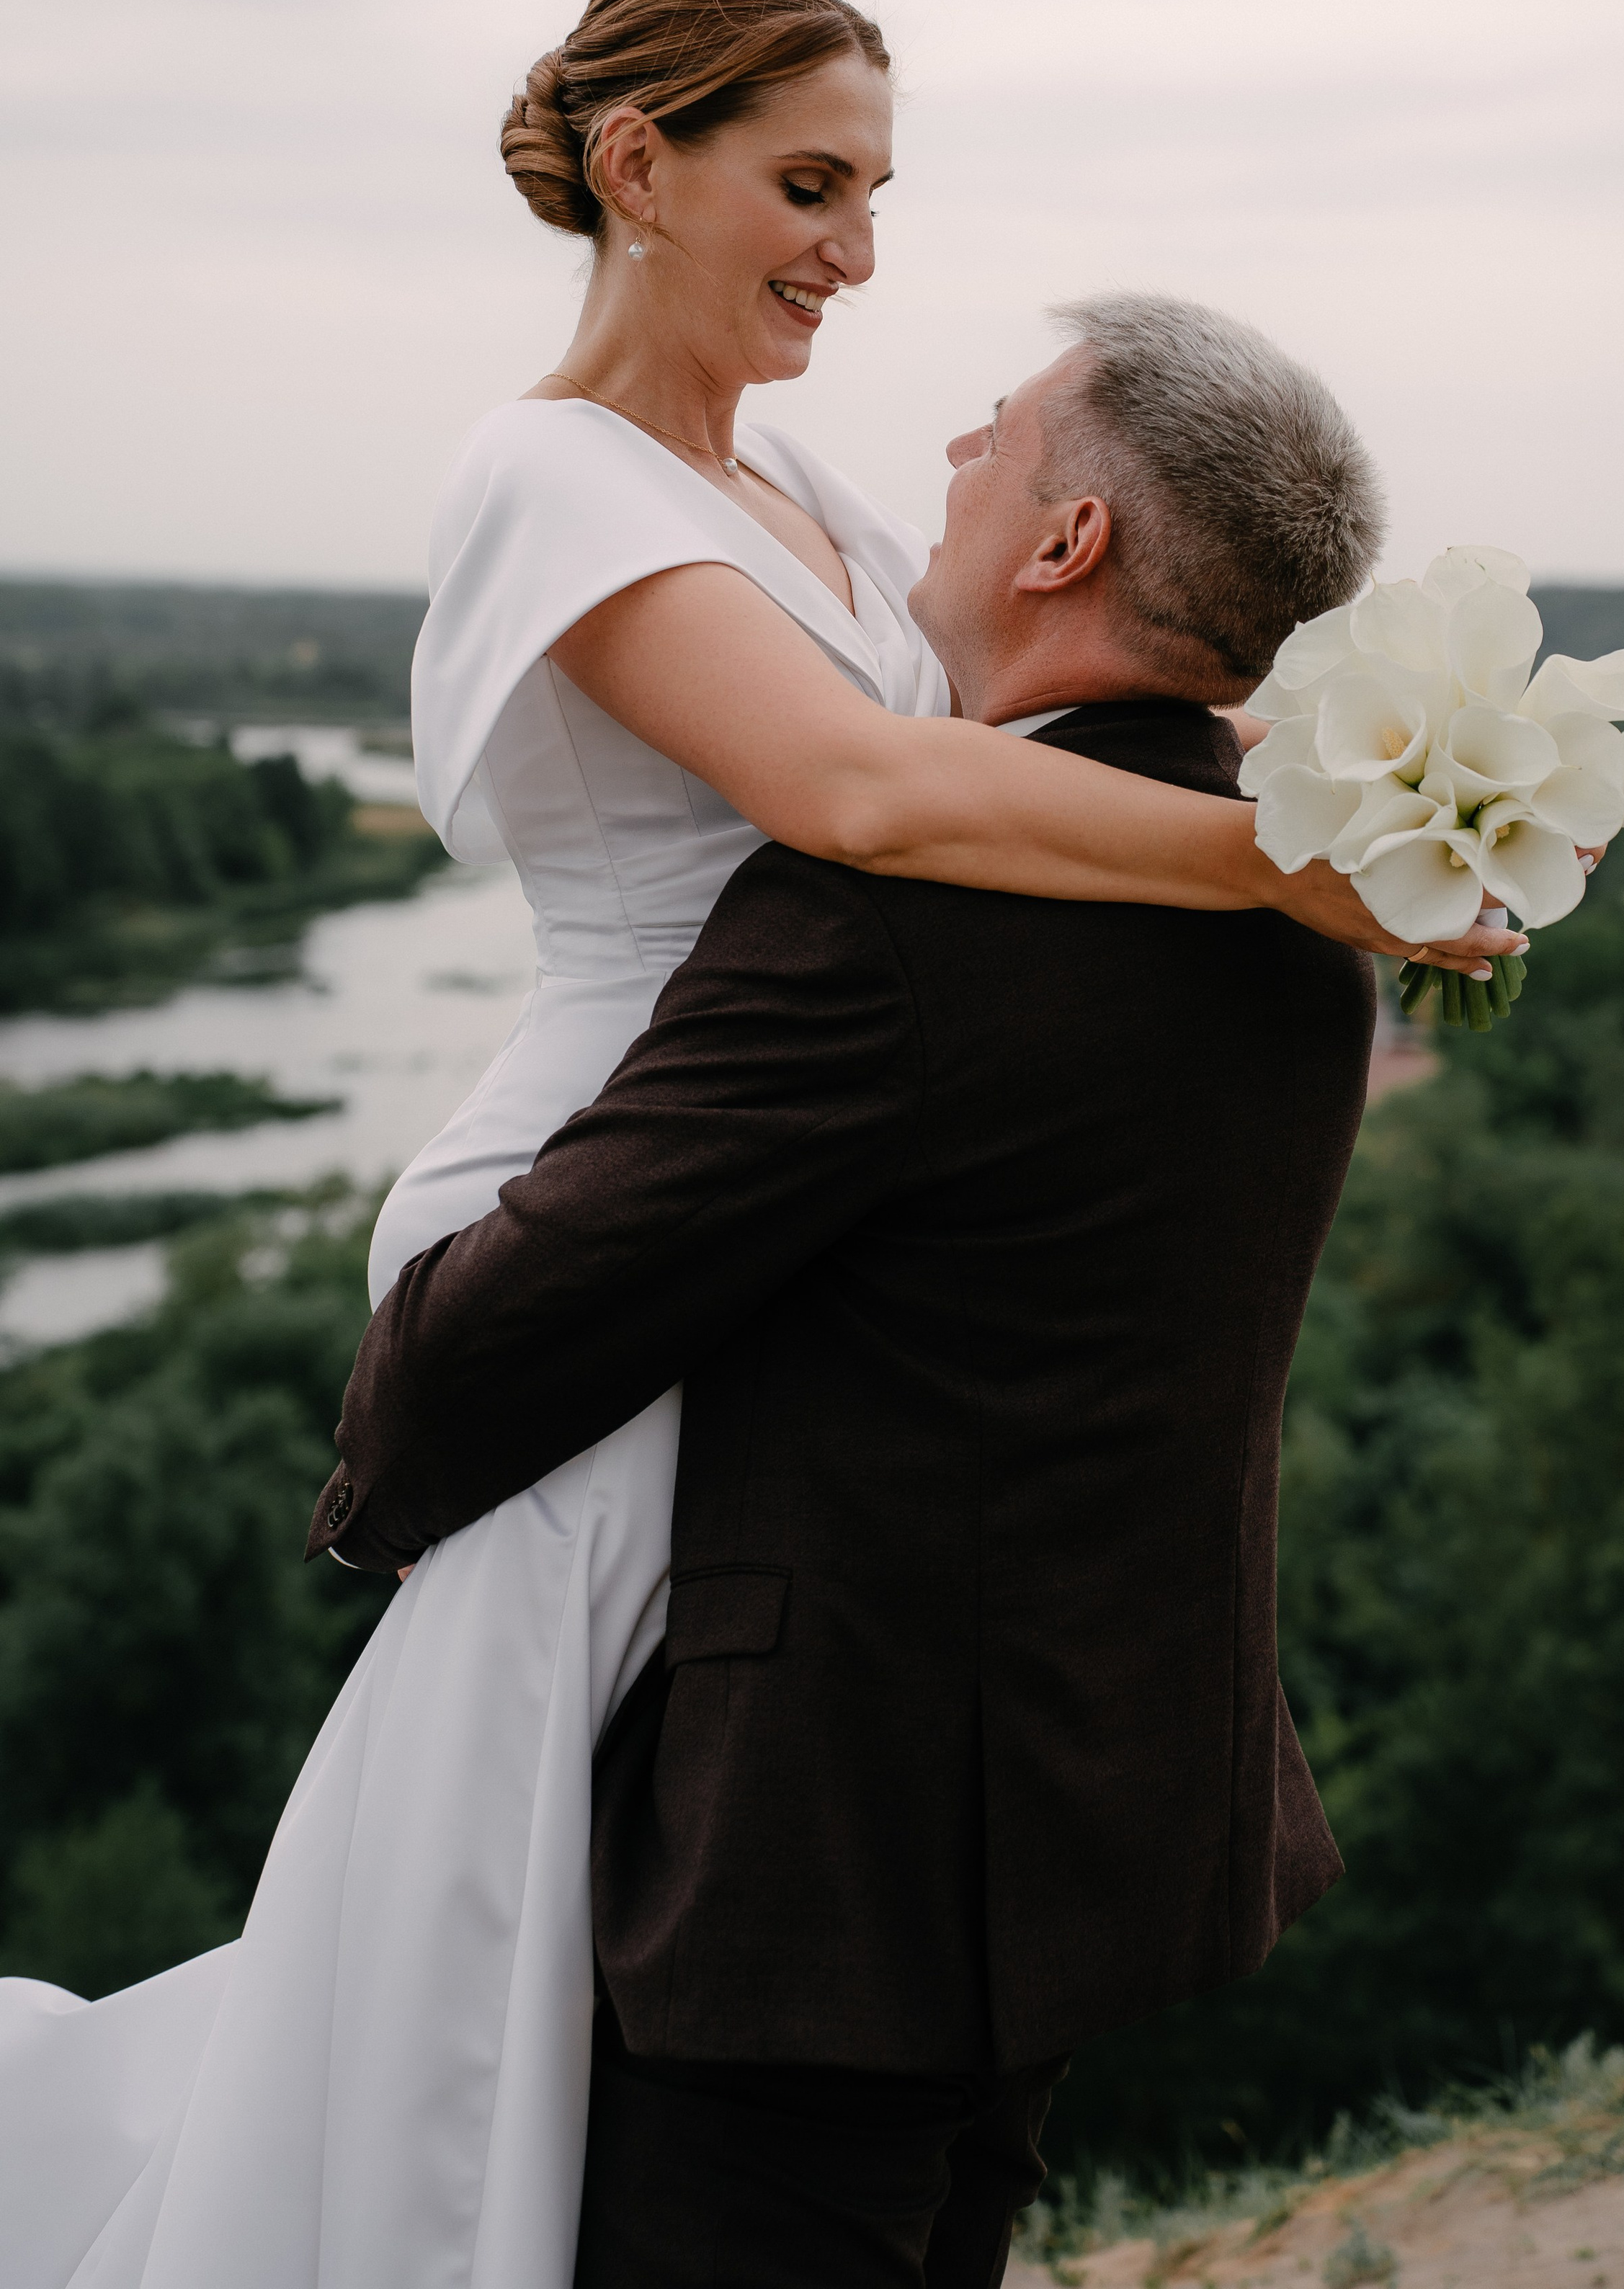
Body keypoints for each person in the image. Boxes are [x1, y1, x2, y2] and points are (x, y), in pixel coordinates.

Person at [0, 0, 1509, 2289]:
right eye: (811, 182)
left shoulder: (791, 474)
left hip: (783, 1199)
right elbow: (861, 791)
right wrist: (1308, 857)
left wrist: (1371, 826)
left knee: (577, 1880)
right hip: (605, 1165)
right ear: (640, 165)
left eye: (879, 192)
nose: (862, 256)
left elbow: (978, 761)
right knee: (494, 1886)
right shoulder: (547, 473)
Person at [313, 300, 1394, 2286]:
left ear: (1065, 544)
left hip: (819, 1876)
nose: (949, 467)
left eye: (991, 436)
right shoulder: (1314, 921)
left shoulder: (894, 917)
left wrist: (384, 1476)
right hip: (1102, 1822)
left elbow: (514, 1332)